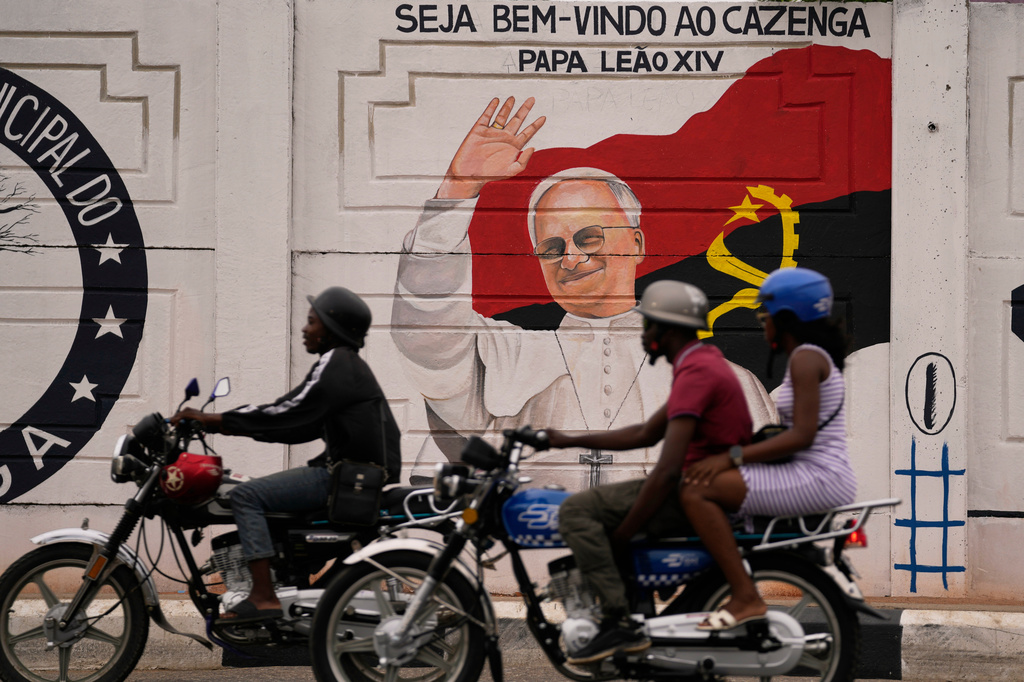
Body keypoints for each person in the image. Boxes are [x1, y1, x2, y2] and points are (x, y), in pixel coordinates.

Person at [391, 95, 776, 487]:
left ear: (638, 244)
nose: (570, 259)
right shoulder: (509, 357)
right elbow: (428, 334)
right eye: (551, 248)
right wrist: (457, 190)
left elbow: (762, 498)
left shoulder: (728, 383)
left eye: (589, 238)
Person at [547, 279, 753, 664]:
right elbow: (645, 433)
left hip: (691, 488)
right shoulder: (701, 364)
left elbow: (666, 470)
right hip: (696, 483)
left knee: (576, 511)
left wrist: (625, 532)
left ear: (668, 329)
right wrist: (563, 439)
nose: (643, 333)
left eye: (649, 325)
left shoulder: (697, 373)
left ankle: (618, 621)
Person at [171, 286, 401, 623]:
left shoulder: (336, 363)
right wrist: (234, 427)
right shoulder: (346, 366)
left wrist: (214, 420)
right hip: (352, 475)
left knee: (246, 495)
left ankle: (262, 596)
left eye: (312, 322)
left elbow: (287, 411)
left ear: (332, 328)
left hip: (342, 477)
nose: (305, 329)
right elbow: (297, 427)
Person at [680, 267, 856, 631]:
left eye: (765, 316)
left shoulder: (807, 359)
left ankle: (744, 595)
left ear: (787, 317)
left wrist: (732, 457)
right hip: (812, 472)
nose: (763, 325)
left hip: (816, 477)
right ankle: (718, 582)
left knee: (696, 492)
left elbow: (802, 436)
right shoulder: (812, 356)